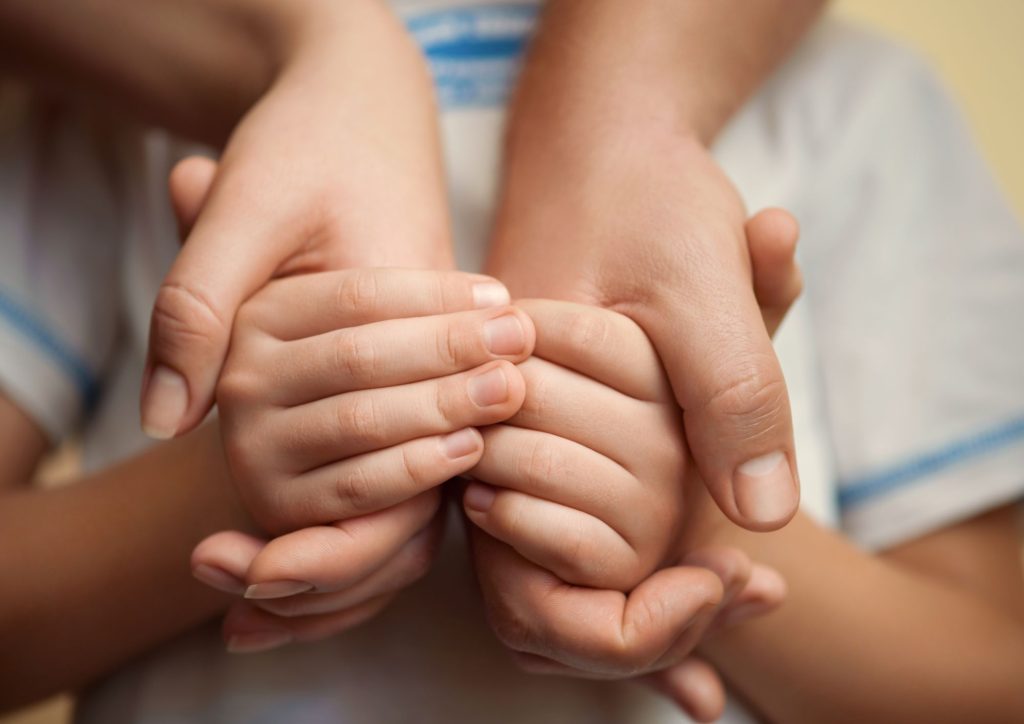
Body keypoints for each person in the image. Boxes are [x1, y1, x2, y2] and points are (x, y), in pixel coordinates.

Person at [1, 4, 1024, 724]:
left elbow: (989, 669)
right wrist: (237, 482)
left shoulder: (853, 101)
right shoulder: (128, 96)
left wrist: (699, 517)